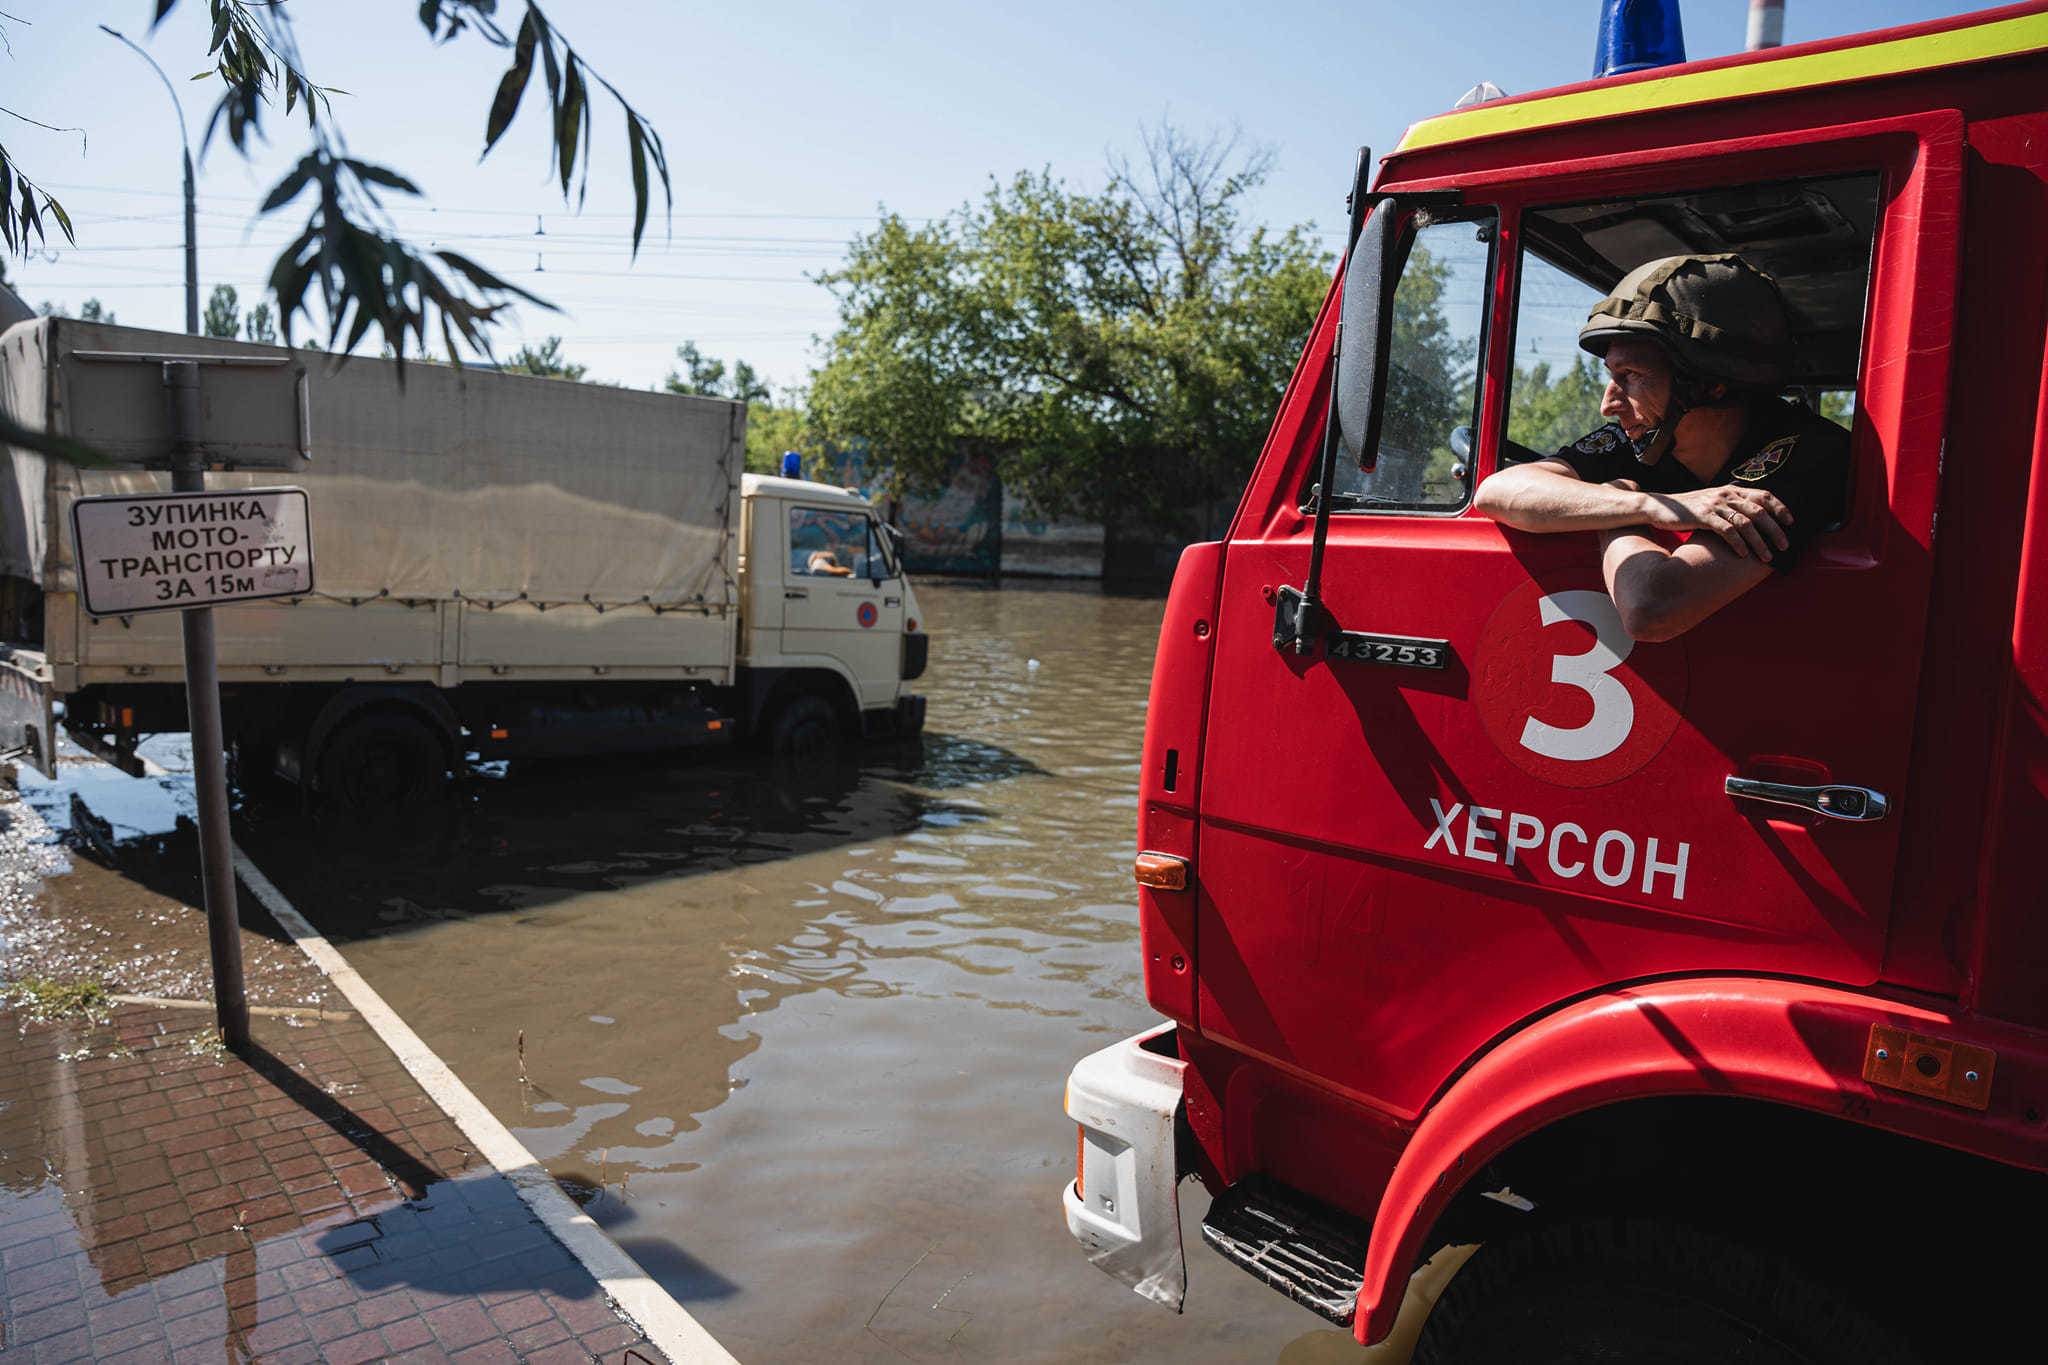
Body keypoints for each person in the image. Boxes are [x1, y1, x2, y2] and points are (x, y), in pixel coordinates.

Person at [1474, 252, 1848, 642]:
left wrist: (1615, 511)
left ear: (1707, 383)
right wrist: (1645, 505)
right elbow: (1497, 492)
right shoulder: (1639, 436)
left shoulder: (1806, 455)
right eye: (1612, 376)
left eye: (1632, 376)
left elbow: (1653, 608)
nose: (1608, 404)